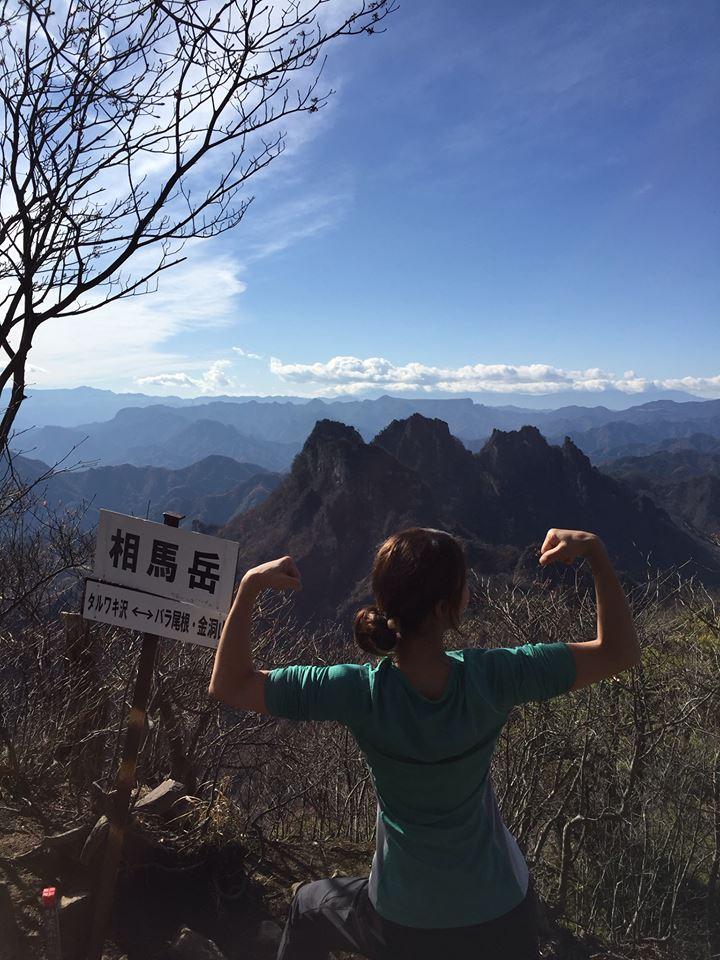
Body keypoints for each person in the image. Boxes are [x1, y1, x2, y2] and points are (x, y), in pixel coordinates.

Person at [208, 527, 639, 960]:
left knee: (308, 904)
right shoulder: (495, 677)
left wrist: (249, 586)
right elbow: (617, 651)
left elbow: (230, 684)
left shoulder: (356, 691)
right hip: (503, 912)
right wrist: (596, 556)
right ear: (445, 608)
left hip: (404, 920)